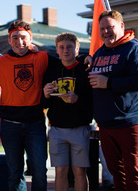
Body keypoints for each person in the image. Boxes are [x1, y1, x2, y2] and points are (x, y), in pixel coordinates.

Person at [88, 10, 138, 191]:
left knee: (134, 174)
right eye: (102, 29)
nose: (106, 32)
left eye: (110, 27)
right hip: (107, 125)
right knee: (117, 173)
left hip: (131, 122)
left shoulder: (135, 50)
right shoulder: (99, 53)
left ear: (121, 26)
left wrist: (108, 83)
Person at [0, 20, 54, 191]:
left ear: (31, 38)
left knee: (40, 171)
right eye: (15, 38)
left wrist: (86, 57)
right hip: (9, 125)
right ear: (9, 40)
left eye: (23, 37)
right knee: (14, 173)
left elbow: (68, 62)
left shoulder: (42, 57)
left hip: (35, 124)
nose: (19, 42)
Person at [42, 32, 93, 191]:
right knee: (60, 171)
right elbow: (45, 103)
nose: (65, 51)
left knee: (79, 171)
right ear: (56, 50)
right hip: (57, 129)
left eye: (69, 47)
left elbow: (93, 101)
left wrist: (77, 99)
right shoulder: (51, 71)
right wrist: (45, 94)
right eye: (61, 47)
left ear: (77, 48)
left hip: (80, 128)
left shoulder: (85, 70)